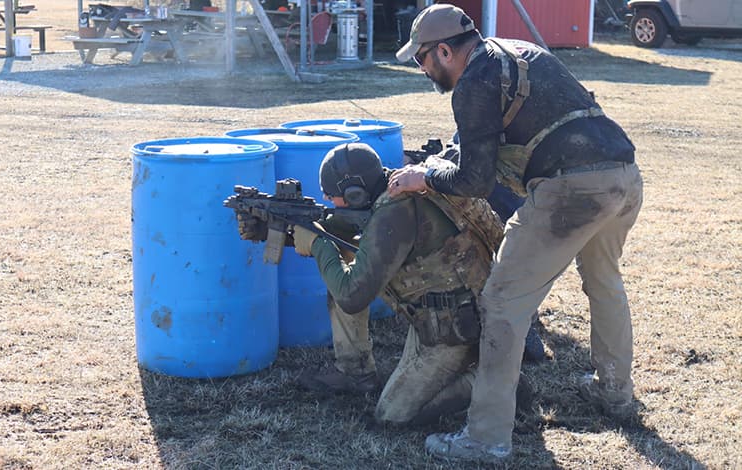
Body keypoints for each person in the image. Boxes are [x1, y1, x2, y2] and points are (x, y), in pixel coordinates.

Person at [388, 3, 644, 462]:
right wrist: (435, 161)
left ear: (443, 51)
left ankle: (485, 438)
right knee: (605, 285)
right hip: (623, 176)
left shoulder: (472, 84)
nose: (423, 70)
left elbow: (474, 182)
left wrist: (421, 178)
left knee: (502, 302)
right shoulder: (514, 51)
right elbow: (473, 144)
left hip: (571, 189)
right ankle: (614, 393)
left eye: (422, 60)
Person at [238, 142, 539, 425]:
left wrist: (318, 246)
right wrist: (279, 232)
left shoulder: (394, 213)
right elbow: (344, 228)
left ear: (356, 193)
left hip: (456, 330)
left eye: (331, 194)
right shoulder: (397, 187)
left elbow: (352, 296)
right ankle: (355, 372)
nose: (328, 200)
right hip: (450, 311)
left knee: (393, 415)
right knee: (342, 254)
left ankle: (496, 382)